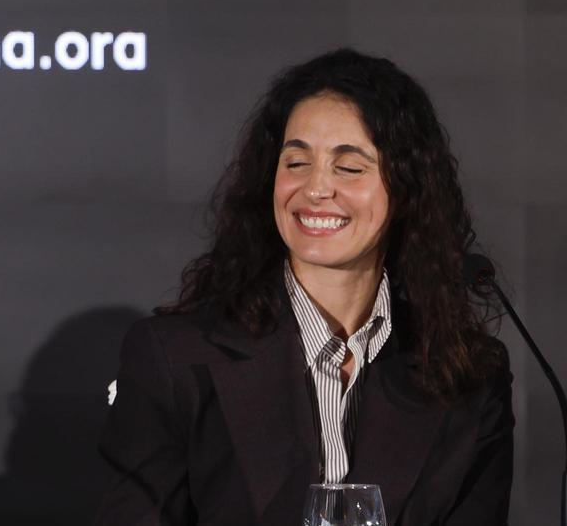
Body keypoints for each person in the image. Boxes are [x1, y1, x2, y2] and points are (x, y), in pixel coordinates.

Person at [95, 49, 513, 525]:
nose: (315, 188)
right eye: (296, 162)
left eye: (349, 168)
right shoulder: (176, 359)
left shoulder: (469, 374)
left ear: (407, 190)